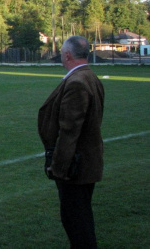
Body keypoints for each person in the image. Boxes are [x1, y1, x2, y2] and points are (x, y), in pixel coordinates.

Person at [37, 36, 105, 249]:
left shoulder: (77, 82)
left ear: (67, 55)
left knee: (76, 221)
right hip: (86, 161)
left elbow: (69, 131)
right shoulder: (90, 77)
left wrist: (59, 167)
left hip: (76, 166)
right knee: (80, 217)